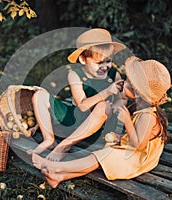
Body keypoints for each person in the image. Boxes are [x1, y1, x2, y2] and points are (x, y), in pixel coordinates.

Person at [32, 59, 172, 188]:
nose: (125, 81)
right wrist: (121, 137)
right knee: (100, 159)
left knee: (99, 157)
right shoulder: (143, 110)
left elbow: (139, 145)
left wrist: (127, 121)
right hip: (132, 152)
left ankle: (57, 167)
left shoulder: (147, 116)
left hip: (137, 159)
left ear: (137, 93)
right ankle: (59, 177)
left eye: (129, 81)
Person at [27, 28, 127, 160]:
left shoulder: (114, 75)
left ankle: (65, 145)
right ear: (83, 59)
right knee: (39, 94)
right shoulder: (75, 75)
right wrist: (107, 91)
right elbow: (82, 106)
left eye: (108, 61)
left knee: (104, 106)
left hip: (99, 128)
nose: (105, 66)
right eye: (98, 63)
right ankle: (49, 139)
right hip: (75, 121)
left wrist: (117, 105)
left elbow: (123, 99)